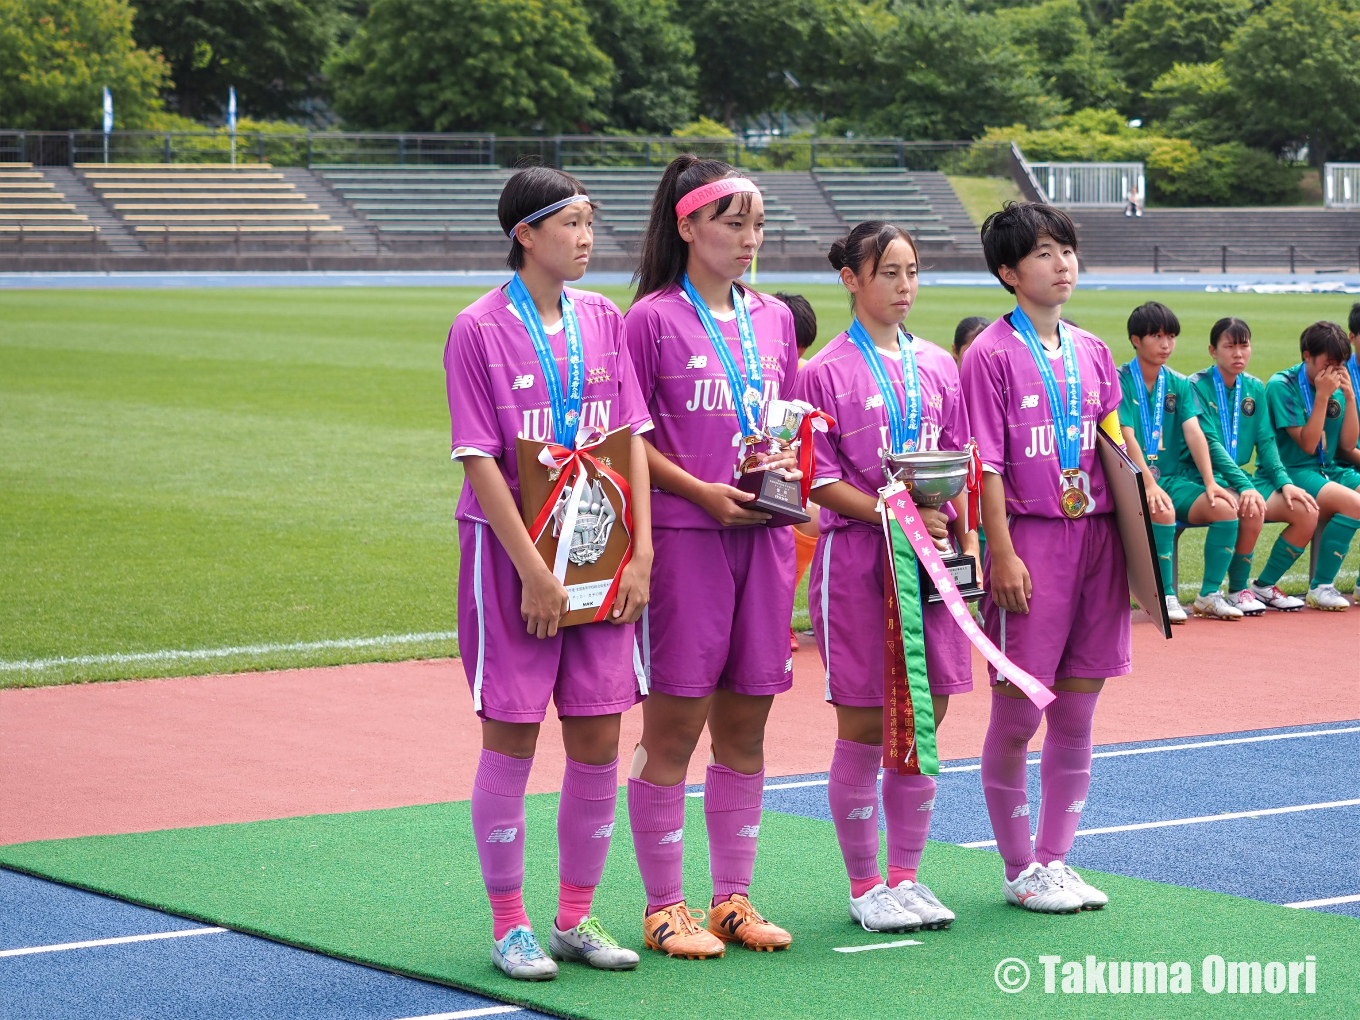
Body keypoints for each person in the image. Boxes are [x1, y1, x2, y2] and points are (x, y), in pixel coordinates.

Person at [444, 167, 653, 981]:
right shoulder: (476, 328)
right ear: (525, 235)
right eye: (569, 222)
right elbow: (479, 459)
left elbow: (630, 433)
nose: (586, 235)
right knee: (515, 732)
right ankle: (510, 926)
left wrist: (639, 552)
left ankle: (573, 916)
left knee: (599, 733)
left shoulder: (606, 317)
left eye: (591, 220)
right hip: (514, 562)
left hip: (601, 550)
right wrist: (532, 570)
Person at [624, 155, 803, 958]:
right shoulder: (651, 319)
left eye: (757, 226)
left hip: (763, 538)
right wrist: (698, 491)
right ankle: (664, 906)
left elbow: (785, 422)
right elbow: (628, 440)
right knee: (675, 725)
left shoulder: (771, 319)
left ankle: (733, 897)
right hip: (689, 541)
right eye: (734, 224)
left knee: (748, 722)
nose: (748, 240)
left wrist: (786, 478)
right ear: (688, 226)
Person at [800, 221, 976, 933]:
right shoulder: (824, 372)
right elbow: (816, 477)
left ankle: (906, 874)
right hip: (859, 563)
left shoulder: (938, 364)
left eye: (912, 271)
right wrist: (890, 512)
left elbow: (957, 457)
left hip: (930, 563)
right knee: (866, 723)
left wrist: (947, 517)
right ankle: (866, 882)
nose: (905, 286)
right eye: (889, 273)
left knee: (925, 719)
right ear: (852, 280)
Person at [960, 202, 1126, 915]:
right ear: (1008, 272)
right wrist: (1000, 551)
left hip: (1097, 539)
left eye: (1068, 251)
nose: (1062, 265)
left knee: (1080, 709)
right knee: (1021, 712)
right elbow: (987, 465)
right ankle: (1019, 867)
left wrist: (1143, 488)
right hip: (1029, 540)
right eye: (1044, 254)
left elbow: (1112, 435)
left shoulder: (1091, 350)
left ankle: (1058, 860)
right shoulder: (989, 354)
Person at [1116, 302, 1245, 622]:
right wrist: (1146, 482)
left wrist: (1212, 482)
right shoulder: (1121, 378)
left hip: (1171, 479)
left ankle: (1209, 596)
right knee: (1163, 509)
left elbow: (1194, 433)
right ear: (1135, 339)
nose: (1166, 345)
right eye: (1157, 336)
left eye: (1171, 336)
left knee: (1226, 506)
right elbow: (1127, 434)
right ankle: (1166, 595)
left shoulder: (1178, 383)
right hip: (1132, 480)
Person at [1187, 318, 1317, 613]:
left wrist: (1285, 484)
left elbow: (1267, 445)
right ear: (1213, 350)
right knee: (1252, 506)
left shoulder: (1255, 388)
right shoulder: (1195, 387)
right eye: (1229, 346)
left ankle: (1263, 585)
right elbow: (1212, 447)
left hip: (1240, 479)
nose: (1238, 353)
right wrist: (1246, 486)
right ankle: (1235, 590)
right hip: (1203, 476)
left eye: (1243, 345)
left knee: (1307, 511)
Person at [1264, 321, 1360, 611]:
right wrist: (1321, 396)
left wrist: (1351, 395)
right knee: (1356, 504)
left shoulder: (1336, 385)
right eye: (1327, 363)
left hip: (1327, 468)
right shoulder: (1282, 386)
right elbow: (1306, 444)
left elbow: (1346, 444)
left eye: (1340, 364)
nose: (1334, 371)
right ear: (1307, 355)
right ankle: (1321, 586)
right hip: (1293, 470)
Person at [775, 291, 821, 651]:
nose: (796, 359)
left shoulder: (808, 376)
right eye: (791, 348)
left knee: (816, 514)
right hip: (741, 476)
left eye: (801, 350)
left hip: (792, 479)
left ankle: (781, 611)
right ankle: (773, 615)